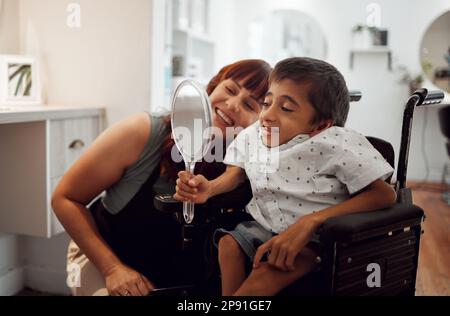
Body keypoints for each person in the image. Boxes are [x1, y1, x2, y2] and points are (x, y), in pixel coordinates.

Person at [174, 57, 397, 296]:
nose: (267, 115)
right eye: (267, 103)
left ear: (321, 125)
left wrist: (311, 222)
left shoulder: (335, 142)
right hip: (264, 225)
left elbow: (384, 194)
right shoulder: (254, 135)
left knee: (265, 275)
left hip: (317, 238)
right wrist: (209, 188)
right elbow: (235, 174)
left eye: (286, 108)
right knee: (229, 244)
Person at [52, 59, 272, 296]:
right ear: (213, 87)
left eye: (250, 105)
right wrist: (113, 268)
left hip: (169, 274)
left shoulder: (248, 165)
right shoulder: (143, 131)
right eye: (230, 89)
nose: (232, 104)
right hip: (103, 256)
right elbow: (65, 198)